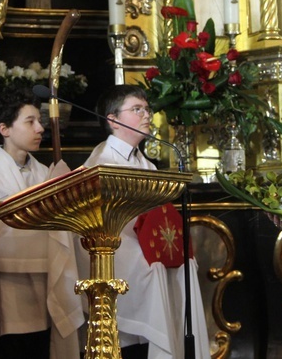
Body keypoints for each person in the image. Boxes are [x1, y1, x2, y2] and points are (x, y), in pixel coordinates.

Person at [81, 84, 210, 359]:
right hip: (120, 259)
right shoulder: (102, 162)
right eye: (136, 109)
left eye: (147, 109)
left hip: (148, 255)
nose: (146, 115)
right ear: (113, 120)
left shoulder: (145, 163)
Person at [0, 86, 84, 359]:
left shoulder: (44, 172)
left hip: (46, 294)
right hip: (10, 299)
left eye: (40, 121)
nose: (40, 128)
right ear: (5, 129)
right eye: (30, 121)